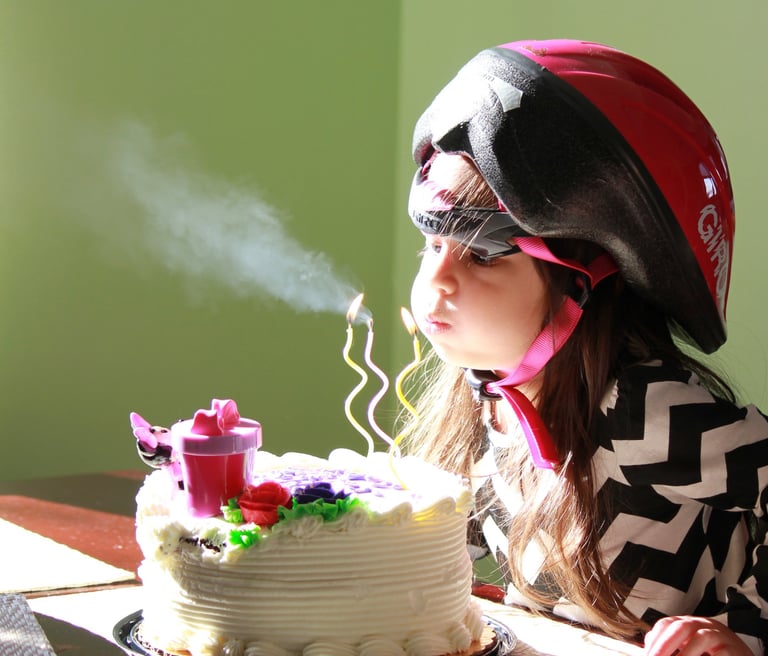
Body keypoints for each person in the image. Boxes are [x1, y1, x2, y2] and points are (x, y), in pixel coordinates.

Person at [401, 39, 767, 655]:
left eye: (483, 255)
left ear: (581, 284)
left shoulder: (639, 411)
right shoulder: (482, 400)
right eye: (432, 246)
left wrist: (747, 631)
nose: (435, 282)